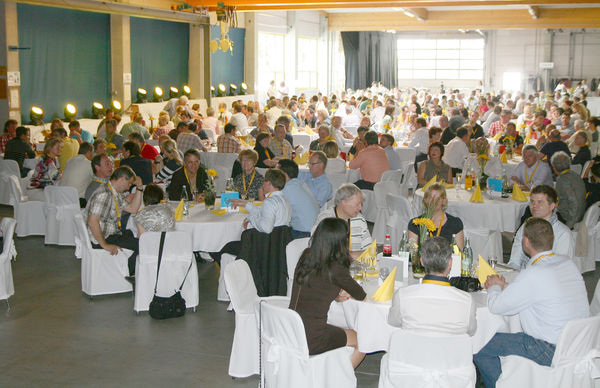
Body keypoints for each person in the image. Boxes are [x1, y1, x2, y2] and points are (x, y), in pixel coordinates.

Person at [474, 218, 590, 388]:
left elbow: (496, 306)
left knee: (480, 344)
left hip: (547, 348)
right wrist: (505, 287)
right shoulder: (567, 264)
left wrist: (493, 287)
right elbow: (538, 293)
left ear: (526, 242)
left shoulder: (533, 273)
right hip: (578, 343)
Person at [290, 217, 366, 369]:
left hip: (291, 331)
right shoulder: (336, 269)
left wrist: (336, 295)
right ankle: (340, 379)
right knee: (364, 340)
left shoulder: (306, 256)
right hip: (313, 337)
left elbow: (315, 289)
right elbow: (361, 295)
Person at [388, 236, 476, 335]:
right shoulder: (467, 300)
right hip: (450, 349)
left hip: (413, 349)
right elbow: (472, 331)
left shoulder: (402, 295)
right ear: (450, 262)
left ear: (422, 261)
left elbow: (393, 322)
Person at [85, 166, 143, 278]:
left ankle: (126, 269)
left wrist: (139, 188)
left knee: (132, 234)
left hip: (109, 233)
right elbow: (93, 222)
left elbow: (133, 209)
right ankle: (126, 274)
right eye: (129, 184)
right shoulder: (104, 194)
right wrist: (105, 245)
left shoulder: (113, 193)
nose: (128, 187)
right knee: (143, 245)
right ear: (122, 179)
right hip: (102, 238)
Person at [508, 185, 573, 269]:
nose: (534, 206)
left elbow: (561, 268)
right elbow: (514, 260)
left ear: (552, 206)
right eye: (532, 201)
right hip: (523, 275)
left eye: (540, 202)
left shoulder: (563, 233)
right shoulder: (525, 226)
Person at [312, 183, 372, 257]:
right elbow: (321, 252)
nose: (360, 208)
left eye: (361, 204)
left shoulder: (359, 219)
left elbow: (370, 250)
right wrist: (352, 255)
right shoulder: (326, 220)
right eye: (357, 204)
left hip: (356, 266)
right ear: (343, 202)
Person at [408, 183, 464, 249]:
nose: (433, 201)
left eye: (438, 198)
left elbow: (459, 254)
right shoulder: (416, 224)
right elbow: (412, 253)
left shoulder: (455, 223)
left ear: (444, 201)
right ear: (425, 200)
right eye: (430, 198)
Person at [279, 159, 320, 239]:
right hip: (316, 230)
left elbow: (276, 211)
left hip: (303, 232)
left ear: (284, 174)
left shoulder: (287, 188)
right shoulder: (300, 183)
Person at [551, 152, 586, 229]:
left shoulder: (562, 180)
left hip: (568, 218)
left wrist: (569, 225)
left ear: (554, 167)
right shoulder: (575, 175)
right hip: (582, 215)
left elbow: (574, 203)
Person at [60, 142, 94, 207]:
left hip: (62, 198)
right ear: (90, 152)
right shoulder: (89, 164)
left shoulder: (69, 161)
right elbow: (95, 180)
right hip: (76, 201)